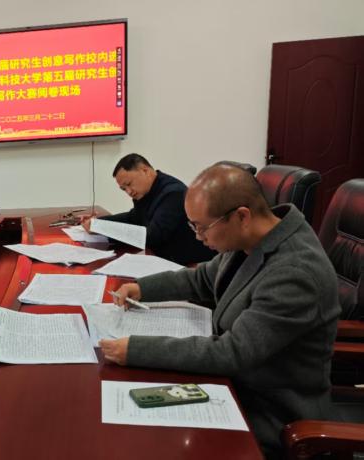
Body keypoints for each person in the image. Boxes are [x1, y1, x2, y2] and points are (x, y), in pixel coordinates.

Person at [99, 163, 340, 456]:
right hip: (234, 385)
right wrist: (142, 288)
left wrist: (135, 349)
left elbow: (232, 353)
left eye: (202, 227)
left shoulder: (294, 273)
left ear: (242, 216)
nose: (198, 237)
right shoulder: (252, 239)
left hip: (269, 411)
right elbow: (201, 278)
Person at [82, 153, 215, 265]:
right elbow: (133, 217)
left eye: (129, 184)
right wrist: (98, 222)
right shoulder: (144, 192)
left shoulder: (173, 193)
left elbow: (153, 236)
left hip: (187, 263)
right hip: (161, 257)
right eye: (124, 189)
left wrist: (103, 228)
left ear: (145, 171)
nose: (129, 192)